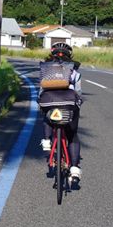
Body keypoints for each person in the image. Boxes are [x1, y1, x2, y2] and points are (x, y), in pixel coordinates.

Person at [39, 42, 83, 184]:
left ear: (52, 54)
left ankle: (46, 141)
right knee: (72, 136)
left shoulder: (45, 68)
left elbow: (41, 90)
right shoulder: (74, 70)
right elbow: (78, 93)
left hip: (49, 101)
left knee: (46, 113)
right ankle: (75, 170)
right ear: (69, 55)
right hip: (69, 103)